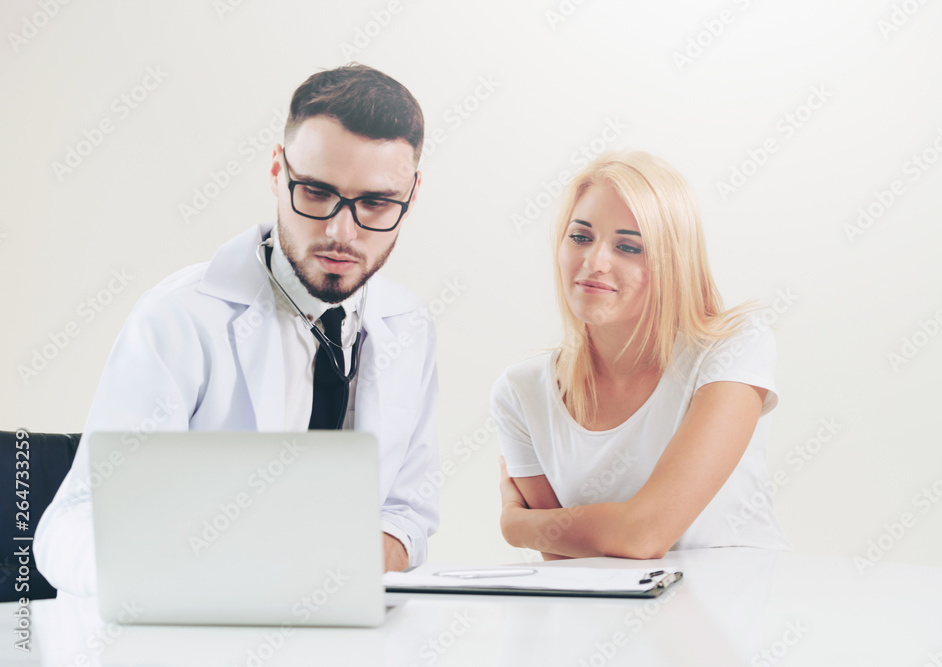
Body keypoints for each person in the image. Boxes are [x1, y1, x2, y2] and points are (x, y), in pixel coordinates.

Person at [35, 64, 440, 597]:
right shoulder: (179, 318)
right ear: (277, 171)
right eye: (316, 192)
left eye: (375, 203)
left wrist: (346, 566)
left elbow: (407, 512)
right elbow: (73, 524)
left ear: (411, 196)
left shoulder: (408, 325)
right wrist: (188, 583)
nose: (342, 232)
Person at [493, 150, 789, 560]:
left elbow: (644, 536)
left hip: (734, 613)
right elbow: (565, 561)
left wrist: (517, 527)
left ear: (674, 262)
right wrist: (548, 533)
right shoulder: (520, 390)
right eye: (580, 237)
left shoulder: (734, 347)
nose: (594, 262)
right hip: (604, 620)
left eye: (629, 247)